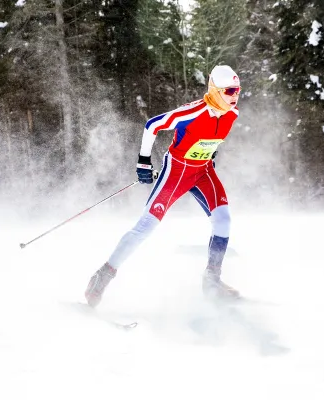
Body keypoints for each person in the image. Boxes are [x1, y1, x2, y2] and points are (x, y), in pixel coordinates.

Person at [85, 65, 242, 307]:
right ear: (215, 90)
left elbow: (209, 138)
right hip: (177, 172)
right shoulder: (192, 112)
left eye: (238, 90)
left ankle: (212, 281)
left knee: (223, 220)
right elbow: (152, 125)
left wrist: (210, 153)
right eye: (230, 91)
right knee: (146, 226)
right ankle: (102, 276)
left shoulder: (232, 114)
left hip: (203, 172)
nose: (235, 96)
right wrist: (143, 161)